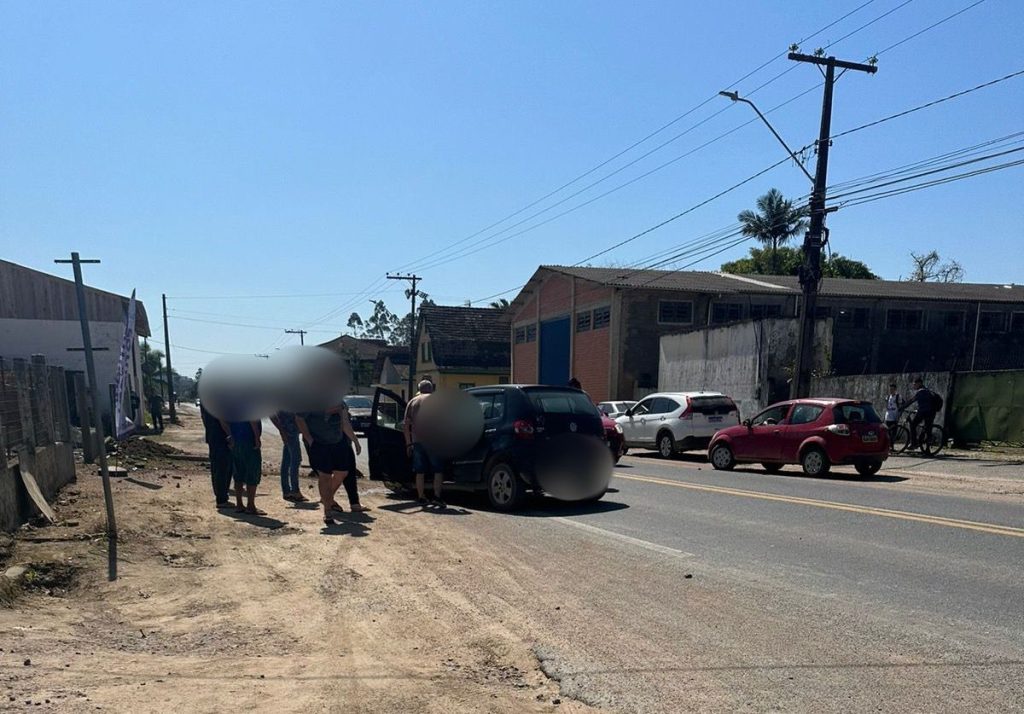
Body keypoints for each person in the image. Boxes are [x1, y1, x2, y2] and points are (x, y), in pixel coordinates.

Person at [297, 404, 365, 527]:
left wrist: (355, 440)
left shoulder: (340, 402)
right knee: (325, 476)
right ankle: (327, 512)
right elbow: (299, 419)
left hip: (338, 442)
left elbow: (345, 423)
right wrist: (309, 439)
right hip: (319, 443)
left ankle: (326, 498)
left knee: (342, 472)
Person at [404, 379, 446, 508]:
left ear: (419, 389)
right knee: (438, 470)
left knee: (419, 471)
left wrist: (408, 443)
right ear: (431, 389)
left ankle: (421, 497)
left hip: (418, 441)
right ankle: (437, 497)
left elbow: (406, 425)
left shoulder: (412, 402)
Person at [224, 418, 263, 514]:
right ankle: (250, 505)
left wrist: (230, 435)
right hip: (248, 440)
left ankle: (239, 504)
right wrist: (257, 437)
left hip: (236, 440)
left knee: (238, 472)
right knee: (252, 472)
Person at [200, 402, 234, 509]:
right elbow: (222, 419)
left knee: (217, 467)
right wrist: (230, 435)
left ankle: (221, 496)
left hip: (213, 435)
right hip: (221, 437)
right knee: (223, 468)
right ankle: (222, 498)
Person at [270, 411, 308, 503]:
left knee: (287, 461)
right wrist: (281, 430)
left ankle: (287, 491)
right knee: (295, 460)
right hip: (290, 430)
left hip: (290, 429)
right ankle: (295, 491)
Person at [904, 377, 938, 449]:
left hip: (927, 412)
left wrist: (902, 408)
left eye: (915, 384)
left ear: (919, 383)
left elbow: (911, 400)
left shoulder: (921, 392)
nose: (914, 386)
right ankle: (923, 445)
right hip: (929, 412)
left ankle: (915, 443)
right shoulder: (926, 391)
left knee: (913, 425)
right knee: (927, 427)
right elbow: (923, 403)